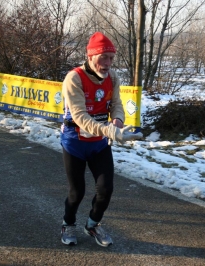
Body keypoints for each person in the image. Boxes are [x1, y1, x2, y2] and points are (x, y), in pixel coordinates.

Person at [60, 32, 143, 247]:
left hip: (98, 144)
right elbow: (79, 117)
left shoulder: (113, 77)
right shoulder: (74, 78)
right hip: (75, 143)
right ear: (90, 56)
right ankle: (68, 223)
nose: (107, 64)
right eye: (103, 57)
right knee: (77, 192)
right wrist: (110, 131)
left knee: (106, 189)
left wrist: (117, 120)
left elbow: (116, 104)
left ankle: (93, 224)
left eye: (111, 58)